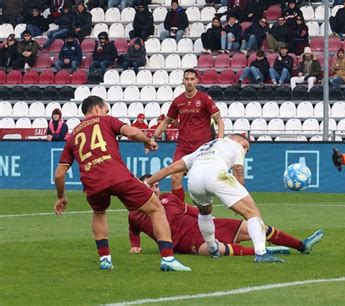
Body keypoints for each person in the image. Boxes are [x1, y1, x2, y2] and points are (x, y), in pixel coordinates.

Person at [53, 95, 191, 272]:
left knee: (99, 212)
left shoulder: (72, 136)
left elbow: (58, 174)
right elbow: (132, 132)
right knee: (156, 208)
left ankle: (105, 259)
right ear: (96, 109)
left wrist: (60, 197)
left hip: (92, 183)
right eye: (105, 110)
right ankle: (168, 259)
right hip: (117, 175)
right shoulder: (106, 120)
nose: (106, 113)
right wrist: (148, 140)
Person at [145, 134, 284, 263]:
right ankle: (261, 253)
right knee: (252, 212)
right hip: (216, 174)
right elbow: (238, 169)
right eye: (246, 147)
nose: (245, 151)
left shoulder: (204, 147)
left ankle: (212, 248)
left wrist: (147, 182)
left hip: (194, 179)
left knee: (205, 212)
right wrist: (242, 193)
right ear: (240, 142)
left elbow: (171, 168)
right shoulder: (237, 145)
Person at [129, 175, 324, 257]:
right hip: (182, 242)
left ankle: (301, 245)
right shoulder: (135, 214)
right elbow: (133, 230)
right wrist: (135, 245)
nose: (154, 190)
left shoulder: (169, 198)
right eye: (150, 186)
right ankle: (265, 251)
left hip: (200, 225)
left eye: (155, 186)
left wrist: (209, 220)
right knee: (215, 250)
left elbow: (192, 210)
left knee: (255, 227)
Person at [152, 68, 225, 202]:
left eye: (192, 79)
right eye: (187, 79)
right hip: (183, 147)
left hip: (201, 148)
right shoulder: (178, 101)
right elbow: (166, 121)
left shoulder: (204, 99)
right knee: (175, 179)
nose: (189, 82)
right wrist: (152, 138)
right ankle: (178, 212)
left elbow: (219, 120)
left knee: (201, 184)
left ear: (197, 81)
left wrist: (219, 142)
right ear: (183, 81)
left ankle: (205, 214)